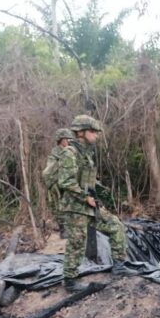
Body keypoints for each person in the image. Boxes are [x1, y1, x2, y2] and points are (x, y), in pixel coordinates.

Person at [57, 115, 128, 292]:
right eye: (93, 131)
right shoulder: (70, 153)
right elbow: (65, 181)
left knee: (115, 225)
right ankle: (70, 280)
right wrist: (84, 197)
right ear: (80, 132)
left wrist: (100, 191)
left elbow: (87, 180)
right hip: (76, 206)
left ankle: (119, 267)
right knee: (77, 242)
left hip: (90, 204)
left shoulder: (86, 154)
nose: (96, 135)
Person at [42, 128, 74, 237]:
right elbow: (49, 171)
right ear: (61, 140)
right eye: (66, 139)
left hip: (67, 183)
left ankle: (69, 229)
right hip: (57, 184)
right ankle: (63, 230)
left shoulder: (69, 150)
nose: (68, 141)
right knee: (60, 207)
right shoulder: (55, 153)